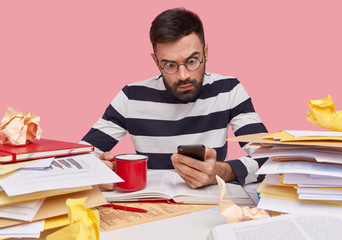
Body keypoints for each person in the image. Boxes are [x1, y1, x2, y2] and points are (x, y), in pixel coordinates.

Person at [81, 8, 268, 190]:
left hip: (210, 207)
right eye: (170, 64)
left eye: (192, 61)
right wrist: (98, 172)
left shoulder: (229, 90)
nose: (183, 75)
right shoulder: (131, 97)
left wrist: (223, 171)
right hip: (151, 207)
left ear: (206, 52)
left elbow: (270, 158)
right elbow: (76, 159)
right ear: (156, 62)